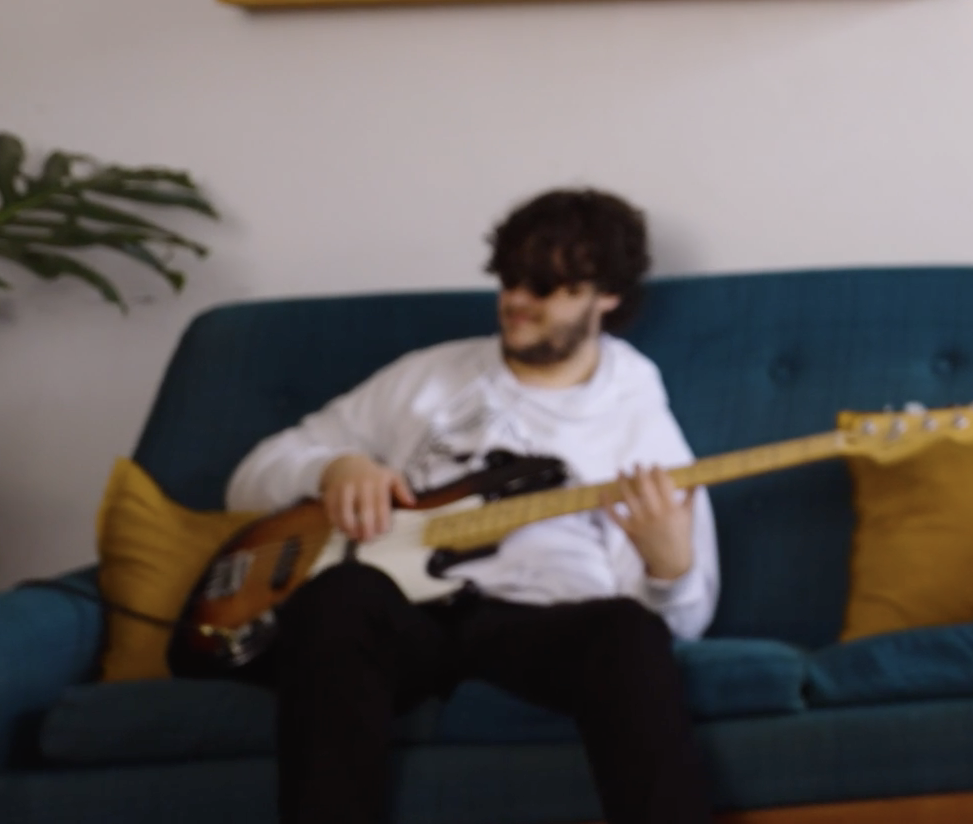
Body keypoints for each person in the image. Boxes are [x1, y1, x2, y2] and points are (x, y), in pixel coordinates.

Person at [225, 188, 716, 824]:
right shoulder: (426, 377)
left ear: (608, 296)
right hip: (406, 616)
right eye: (510, 279)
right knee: (335, 598)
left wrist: (669, 570)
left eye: (546, 287)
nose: (517, 301)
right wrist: (333, 467)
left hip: (542, 624)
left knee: (628, 633)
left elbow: (682, 626)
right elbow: (249, 479)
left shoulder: (637, 422)